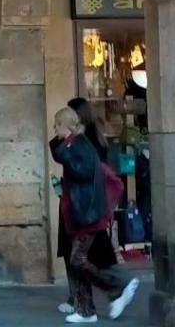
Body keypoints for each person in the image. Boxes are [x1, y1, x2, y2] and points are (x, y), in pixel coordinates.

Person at [51, 107, 138, 324]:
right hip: (81, 214)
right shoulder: (72, 144)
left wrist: (64, 151)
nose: (55, 130)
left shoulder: (79, 145)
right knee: (78, 261)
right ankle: (85, 309)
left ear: (67, 125)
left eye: (57, 125)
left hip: (87, 215)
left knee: (78, 260)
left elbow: (81, 171)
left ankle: (115, 288)